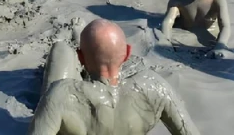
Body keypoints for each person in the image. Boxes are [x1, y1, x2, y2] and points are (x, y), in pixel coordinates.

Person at [30, 19, 200, 135]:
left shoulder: (61, 93)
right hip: (126, 99)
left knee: (61, 50)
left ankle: (80, 42)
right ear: (127, 54)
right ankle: (93, 44)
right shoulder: (154, 85)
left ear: (80, 59)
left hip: (73, 103)